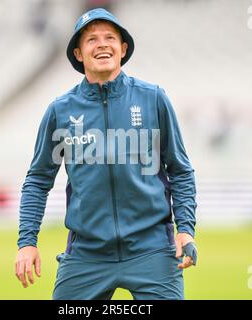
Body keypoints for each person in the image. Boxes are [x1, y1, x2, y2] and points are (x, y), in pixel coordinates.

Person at [15, 8, 198, 300]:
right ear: (78, 53)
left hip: (152, 251)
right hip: (87, 255)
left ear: (123, 49)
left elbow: (180, 170)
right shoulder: (60, 111)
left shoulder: (153, 99)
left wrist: (185, 229)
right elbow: (37, 181)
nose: (102, 44)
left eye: (110, 37)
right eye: (91, 39)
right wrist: (27, 242)